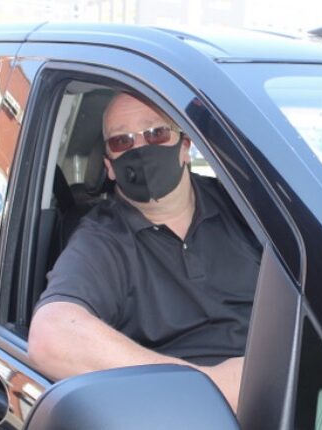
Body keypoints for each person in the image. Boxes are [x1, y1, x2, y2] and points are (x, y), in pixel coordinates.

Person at [27, 92, 261, 412]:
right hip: (179, 411)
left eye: (156, 133)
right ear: (110, 167)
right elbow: (51, 336)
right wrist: (207, 387)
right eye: (122, 141)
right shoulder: (103, 238)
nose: (140, 149)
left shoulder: (247, 209)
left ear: (185, 147)